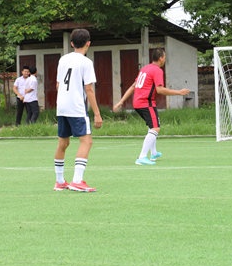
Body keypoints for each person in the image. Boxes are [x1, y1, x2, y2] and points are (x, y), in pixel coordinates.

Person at [113, 47, 190, 166]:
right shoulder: (157, 70)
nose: (165, 59)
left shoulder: (145, 69)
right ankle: (142, 157)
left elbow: (133, 86)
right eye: (164, 57)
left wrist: (121, 101)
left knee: (152, 125)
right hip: (145, 103)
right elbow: (160, 90)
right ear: (161, 58)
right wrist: (179, 92)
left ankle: (153, 153)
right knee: (155, 128)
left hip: (138, 102)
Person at [53, 28, 103, 192]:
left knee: (63, 142)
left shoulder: (63, 59)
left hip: (62, 106)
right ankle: (77, 180)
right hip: (76, 107)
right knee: (86, 141)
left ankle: (60, 181)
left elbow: (58, 85)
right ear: (88, 43)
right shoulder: (86, 62)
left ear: (72, 43)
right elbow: (88, 89)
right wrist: (97, 114)